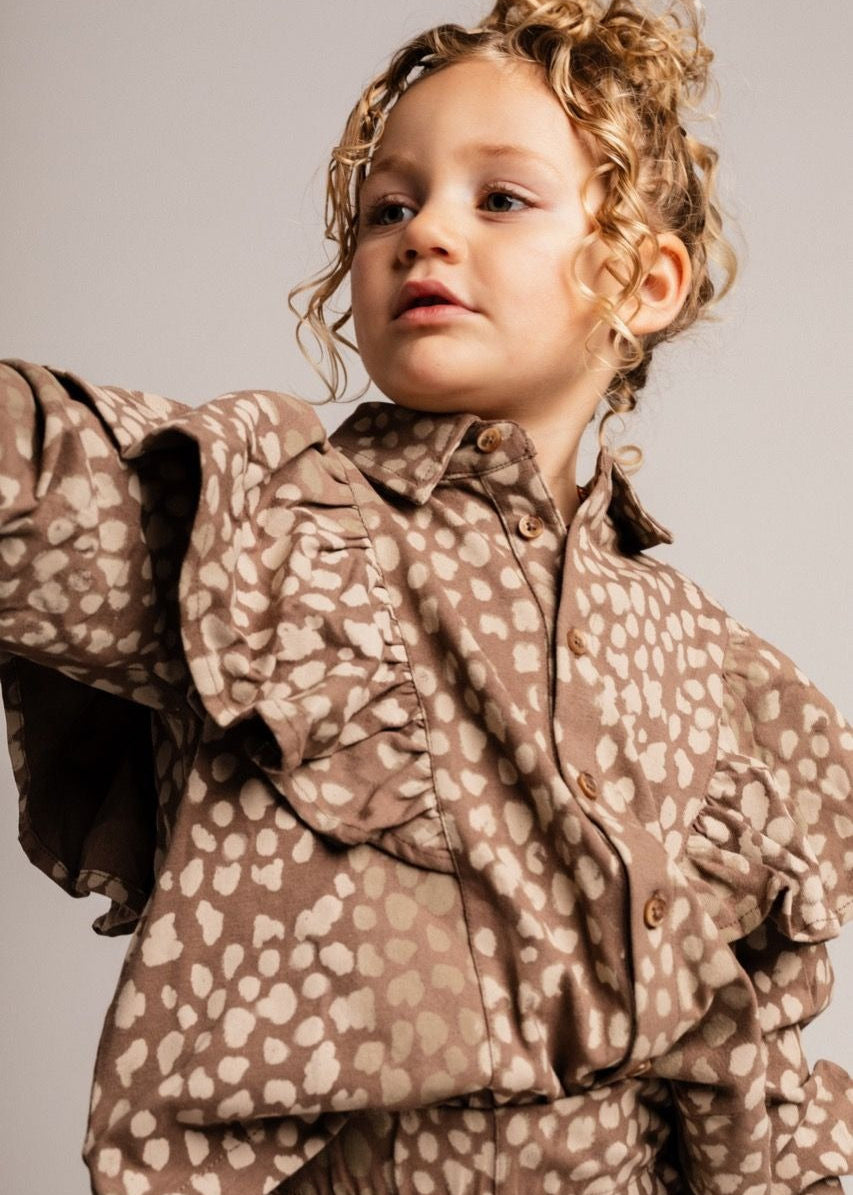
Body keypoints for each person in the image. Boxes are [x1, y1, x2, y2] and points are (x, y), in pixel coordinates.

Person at [1, 0, 850, 1192]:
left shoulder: (714, 671)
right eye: (387, 207)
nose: (423, 233)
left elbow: (747, 1073)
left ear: (643, 282)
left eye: (498, 198)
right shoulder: (267, 538)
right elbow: (36, 493)